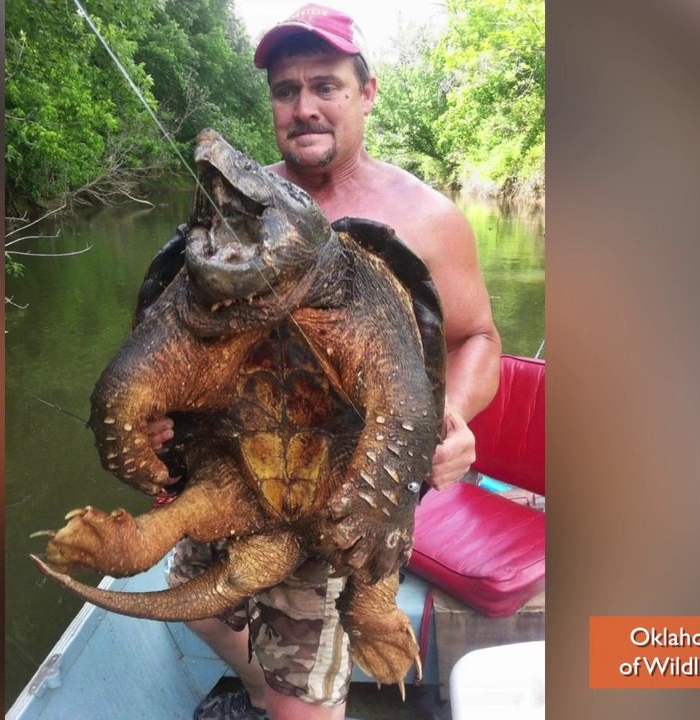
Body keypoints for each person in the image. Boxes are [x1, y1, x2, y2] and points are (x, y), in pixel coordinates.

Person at [155, 5, 502, 719]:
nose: (304, 106)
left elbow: (477, 340)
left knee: (300, 708)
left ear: (367, 92)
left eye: (326, 85)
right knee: (192, 606)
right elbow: (184, 337)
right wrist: (168, 419)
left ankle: (290, 695)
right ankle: (261, 688)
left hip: (345, 486)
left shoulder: (426, 217)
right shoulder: (232, 208)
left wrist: (454, 415)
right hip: (235, 468)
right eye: (286, 90)